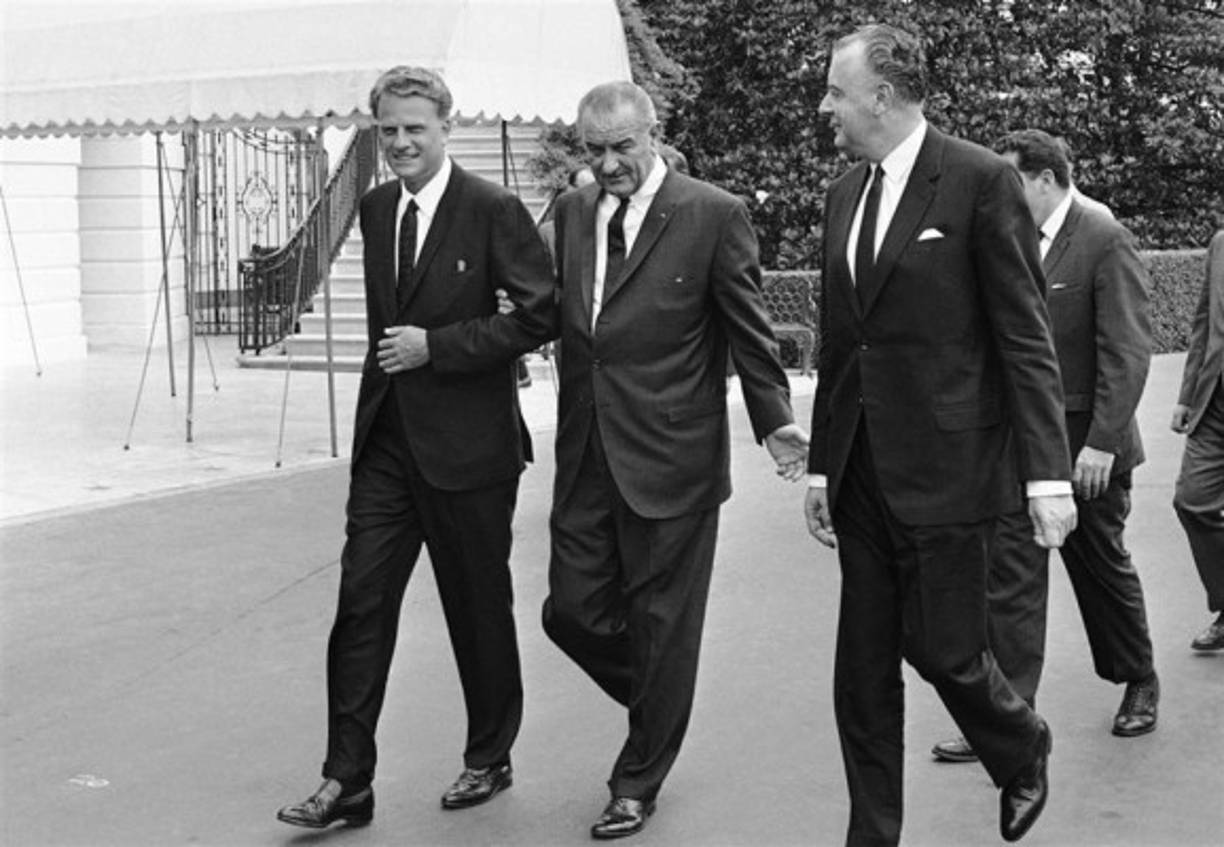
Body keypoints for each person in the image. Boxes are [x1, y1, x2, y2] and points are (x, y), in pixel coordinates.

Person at [803, 25, 1077, 846]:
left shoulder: (979, 180)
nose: (826, 108)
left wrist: (1047, 475)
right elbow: (840, 341)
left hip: (951, 469)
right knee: (861, 677)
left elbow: (1025, 337)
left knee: (948, 653)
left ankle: (1020, 742)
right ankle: (872, 834)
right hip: (861, 476)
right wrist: (821, 467)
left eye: (835, 92)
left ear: (882, 97)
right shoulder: (843, 193)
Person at [276, 66, 556, 829]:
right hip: (389, 449)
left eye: (414, 129)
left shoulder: (493, 209)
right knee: (360, 605)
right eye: (388, 130)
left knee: (477, 610)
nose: (400, 142)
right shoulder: (371, 208)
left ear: (445, 126)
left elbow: (539, 315)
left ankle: (489, 755)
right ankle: (346, 778)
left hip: (472, 450)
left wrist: (441, 346)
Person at [541, 80, 808, 840]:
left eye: (622, 147)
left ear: (653, 134)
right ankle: (661, 697)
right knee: (571, 611)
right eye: (594, 150)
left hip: (674, 458)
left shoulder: (712, 213)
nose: (608, 165)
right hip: (587, 450)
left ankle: (638, 777)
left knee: (663, 624)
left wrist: (776, 422)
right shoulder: (570, 210)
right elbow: (540, 305)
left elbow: (748, 330)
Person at [929, 129, 1158, 765]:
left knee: (1101, 572)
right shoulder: (1003, 240)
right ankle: (1007, 721)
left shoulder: (1102, 238)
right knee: (1009, 582)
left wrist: (1104, 444)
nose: (998, 192)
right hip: (1017, 445)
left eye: (1010, 181)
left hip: (1088, 448)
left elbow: (1127, 350)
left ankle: (1139, 678)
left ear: (1045, 180)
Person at [1172, 229, 1224, 652]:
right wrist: (1186, 396)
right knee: (1192, 500)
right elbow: (1204, 324)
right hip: (1214, 403)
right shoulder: (1221, 243)